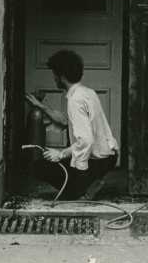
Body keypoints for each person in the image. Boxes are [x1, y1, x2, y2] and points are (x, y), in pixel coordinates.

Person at [25, 49, 118, 201]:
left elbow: (86, 141)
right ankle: (86, 183)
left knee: (39, 167)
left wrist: (60, 155)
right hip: (108, 158)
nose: (53, 78)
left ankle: (86, 188)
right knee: (62, 158)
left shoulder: (75, 101)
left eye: (55, 74)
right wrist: (40, 106)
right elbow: (65, 121)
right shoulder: (87, 92)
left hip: (96, 162)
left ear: (62, 76)